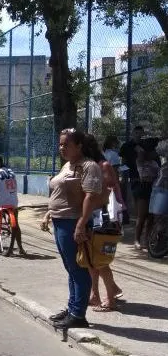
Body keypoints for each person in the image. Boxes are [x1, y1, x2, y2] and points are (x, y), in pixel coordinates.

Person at [40, 128, 104, 330]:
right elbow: (61, 193)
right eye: (60, 144)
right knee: (71, 268)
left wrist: (81, 224)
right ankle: (72, 308)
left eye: (66, 144)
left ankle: (78, 315)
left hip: (73, 222)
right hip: (60, 220)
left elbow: (90, 196)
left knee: (79, 269)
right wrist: (49, 213)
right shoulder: (68, 165)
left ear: (79, 146)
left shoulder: (88, 166)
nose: (62, 148)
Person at [83, 134, 124, 311]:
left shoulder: (103, 166)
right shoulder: (89, 166)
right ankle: (98, 295)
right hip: (94, 217)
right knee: (92, 260)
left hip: (104, 219)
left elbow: (105, 193)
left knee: (100, 261)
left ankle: (110, 299)